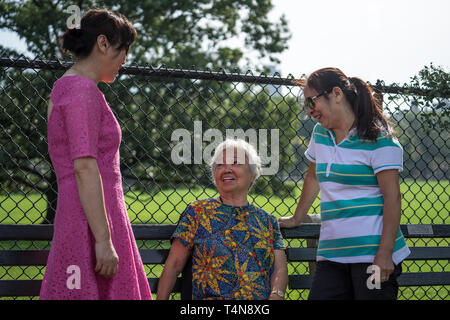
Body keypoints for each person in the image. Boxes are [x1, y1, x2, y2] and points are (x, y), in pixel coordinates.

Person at [40, 9, 152, 300]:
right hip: (90, 221)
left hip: (84, 214)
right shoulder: (80, 90)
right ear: (103, 43)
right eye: (123, 49)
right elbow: (85, 167)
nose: (126, 59)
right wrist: (103, 240)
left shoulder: (68, 87)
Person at [279, 67, 410, 300]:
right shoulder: (320, 134)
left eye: (312, 101)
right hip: (332, 254)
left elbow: (392, 198)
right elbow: (313, 176)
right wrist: (298, 217)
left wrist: (385, 253)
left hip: (372, 254)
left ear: (337, 94)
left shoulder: (379, 137)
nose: (309, 111)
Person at [157, 139, 288, 300]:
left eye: (235, 163)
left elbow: (279, 268)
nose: (226, 169)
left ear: (252, 174)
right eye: (219, 165)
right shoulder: (198, 212)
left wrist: (276, 295)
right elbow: (174, 264)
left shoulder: (267, 221)